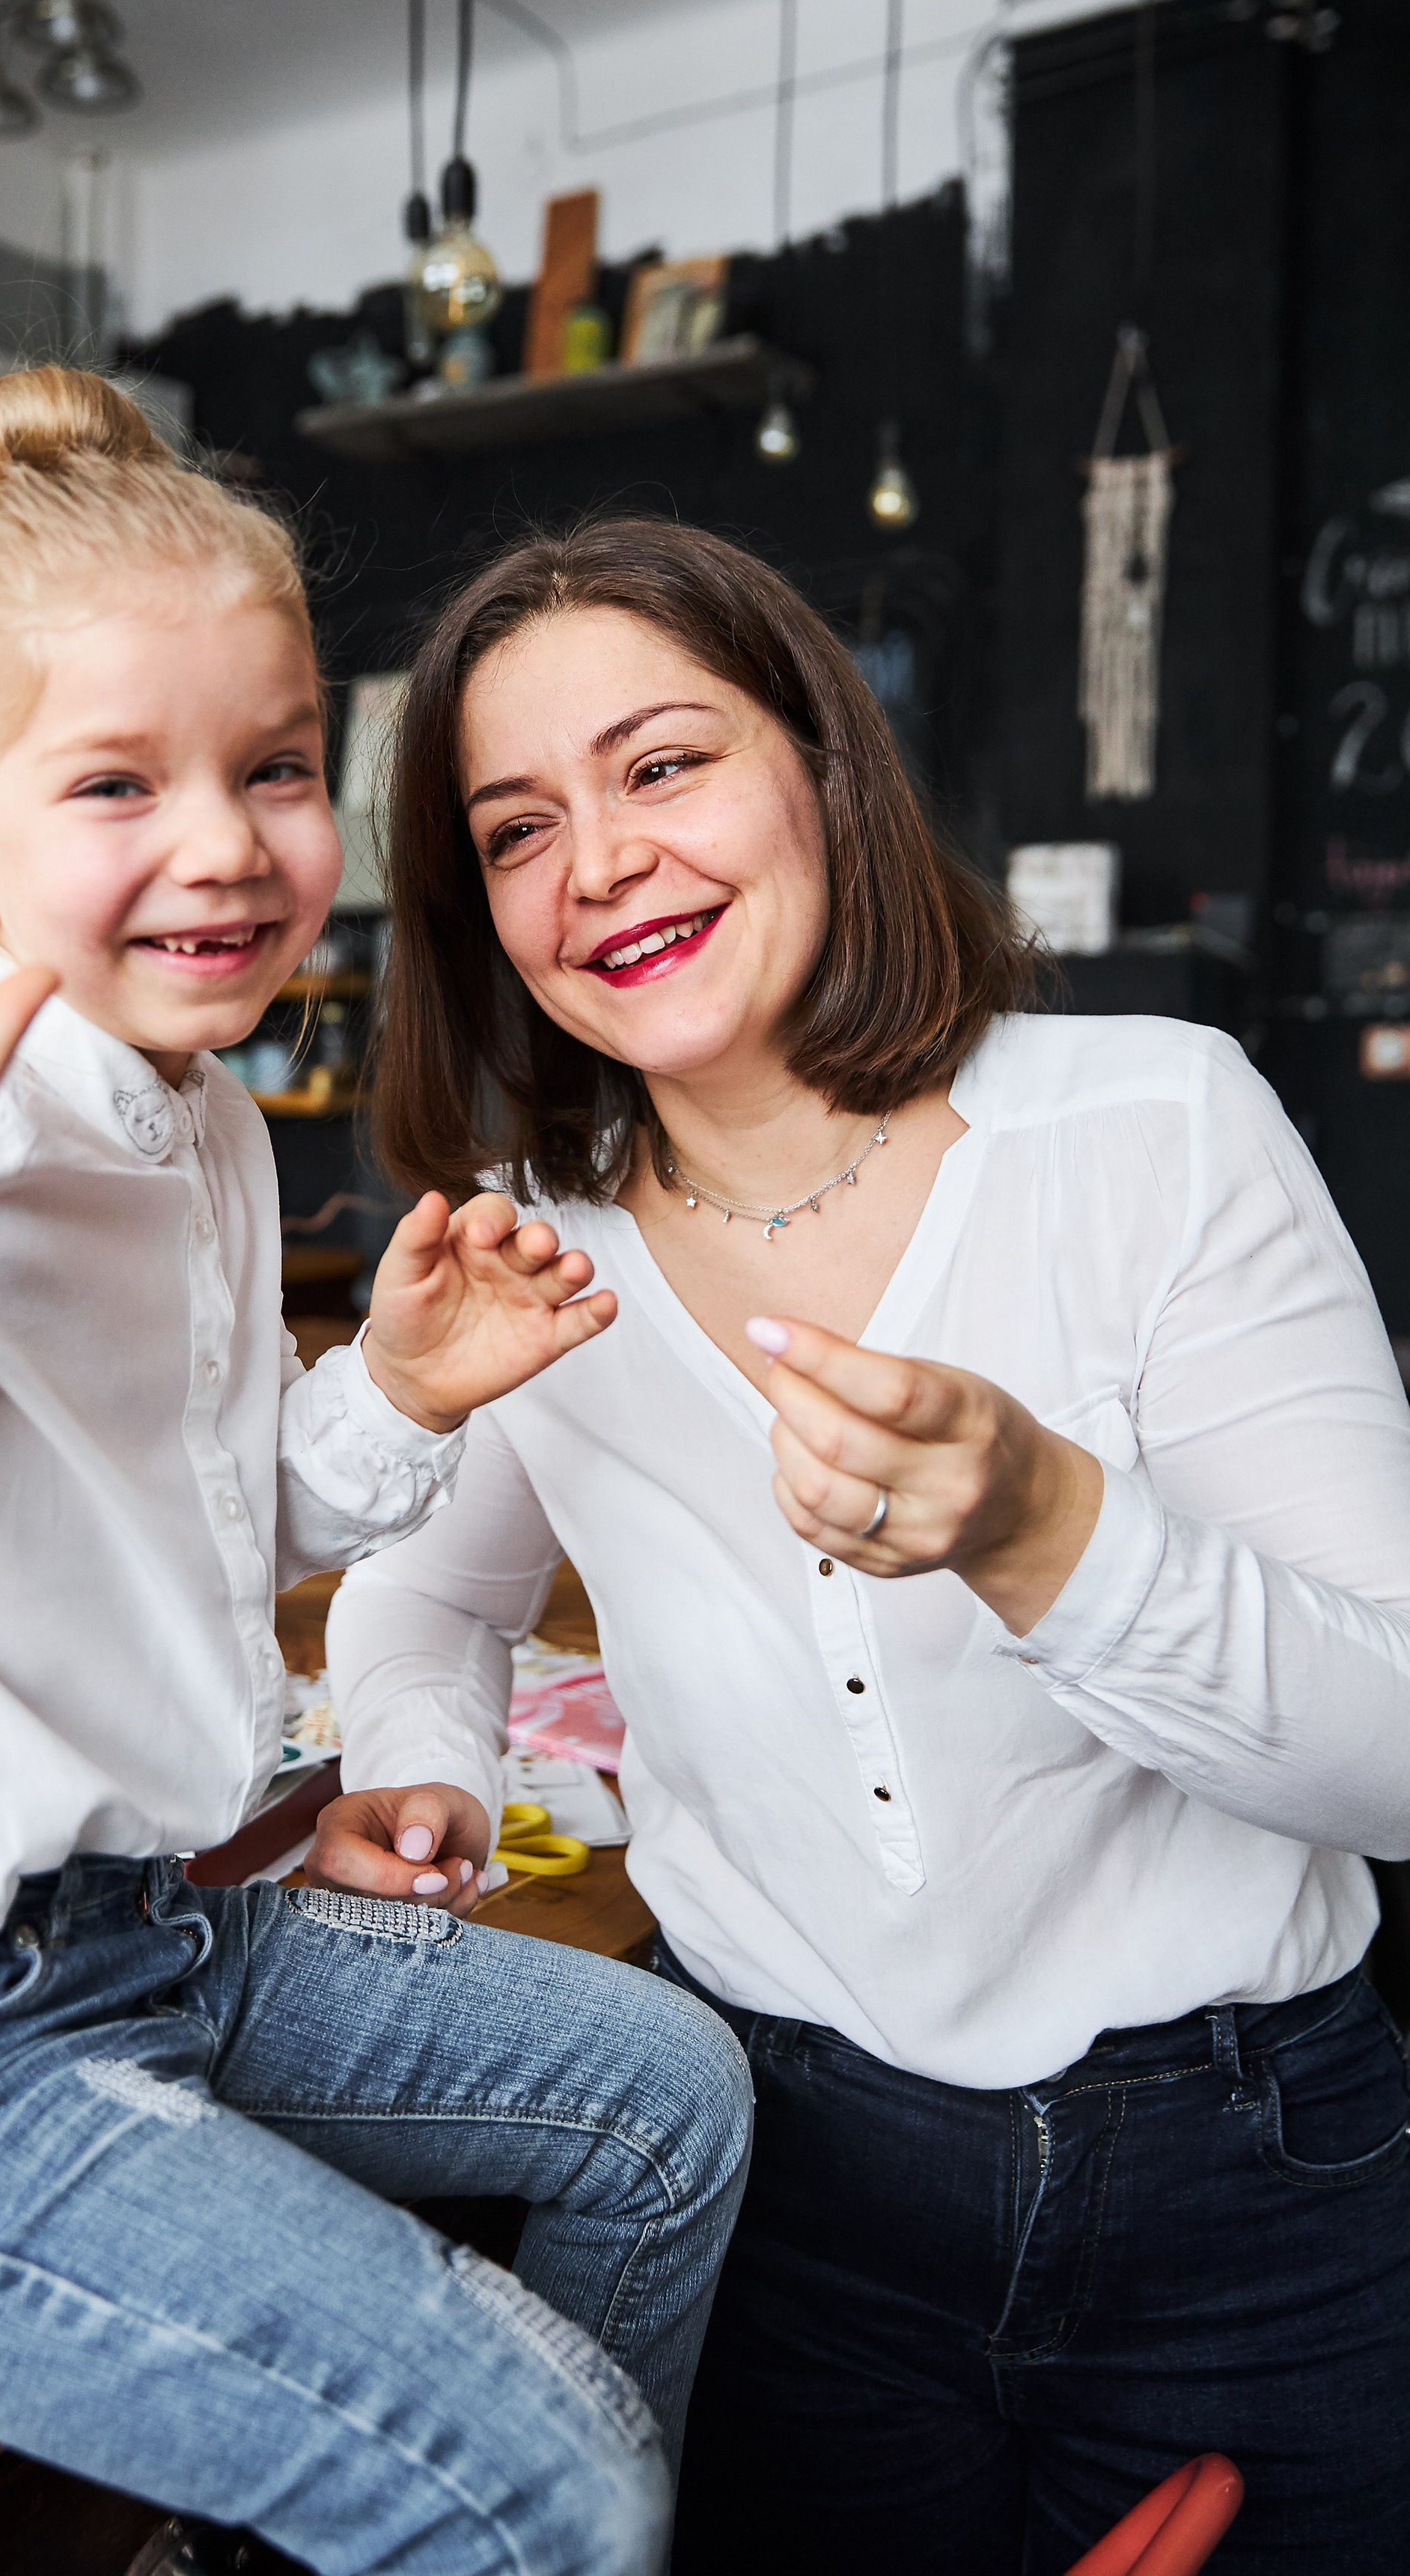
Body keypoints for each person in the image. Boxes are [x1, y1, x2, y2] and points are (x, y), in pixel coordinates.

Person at [0, 392, 754, 2576]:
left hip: (158, 1938)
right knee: (560, 2486)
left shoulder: (192, 1114)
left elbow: (197, 1521)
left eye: (273, 766)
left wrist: (390, 1384)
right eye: (118, 782)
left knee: (670, 2103)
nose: (226, 842)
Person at [309, 517, 1410, 2576]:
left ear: (821, 764)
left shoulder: (1159, 1127)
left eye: (661, 768)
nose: (600, 865)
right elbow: (425, 1588)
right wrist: (426, 1766)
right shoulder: (523, 1238)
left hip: (1246, 2181)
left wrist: (1057, 1536)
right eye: (516, 827)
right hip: (782, 2181)